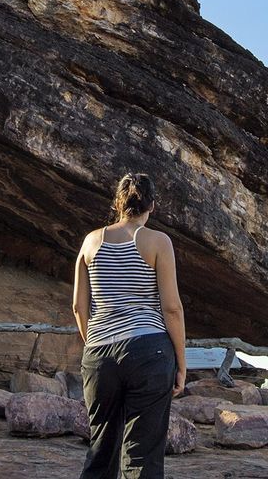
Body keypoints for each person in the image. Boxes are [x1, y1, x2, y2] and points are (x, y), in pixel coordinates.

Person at [72, 173, 187, 479]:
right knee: (142, 456)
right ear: (152, 205)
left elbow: (78, 306)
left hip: (98, 352)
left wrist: (95, 344)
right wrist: (181, 363)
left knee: (100, 450)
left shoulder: (90, 241)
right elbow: (172, 308)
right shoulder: (158, 242)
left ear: (118, 203)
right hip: (149, 351)